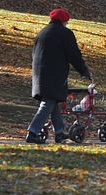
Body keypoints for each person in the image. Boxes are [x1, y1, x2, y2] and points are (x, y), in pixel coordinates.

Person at [26, 8, 92, 144]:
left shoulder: (42, 33)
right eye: (66, 22)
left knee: (53, 101)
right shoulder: (65, 33)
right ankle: (32, 132)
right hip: (54, 74)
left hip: (39, 73)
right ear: (64, 21)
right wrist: (84, 71)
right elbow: (74, 55)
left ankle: (59, 132)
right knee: (48, 102)